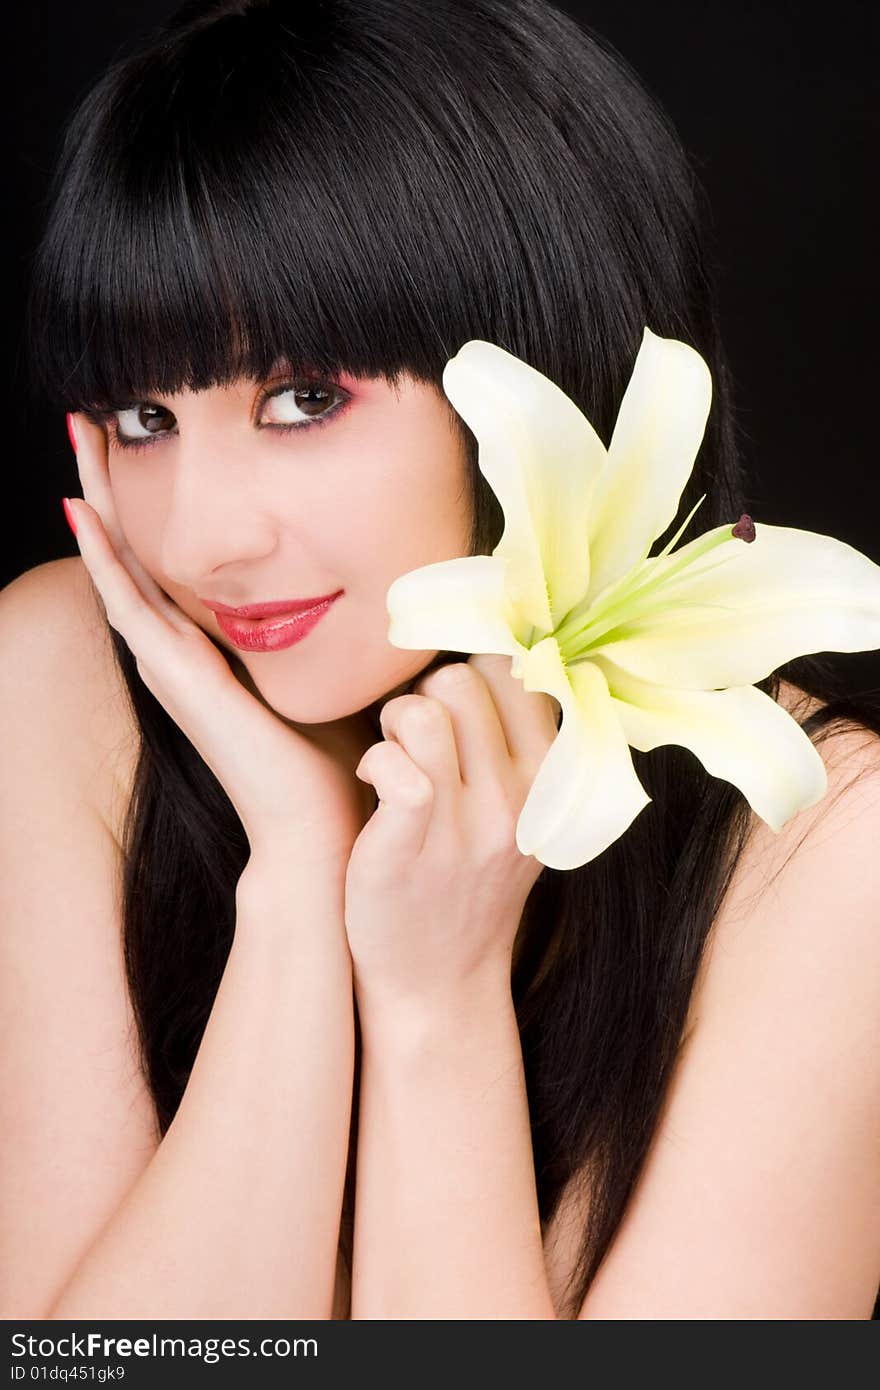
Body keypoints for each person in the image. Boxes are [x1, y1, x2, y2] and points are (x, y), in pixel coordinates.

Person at [3, 0, 879, 1321]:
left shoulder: (831, 853)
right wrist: (296, 875)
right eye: (142, 414)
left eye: (304, 397)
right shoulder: (66, 674)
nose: (203, 537)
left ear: (540, 361)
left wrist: (436, 995)